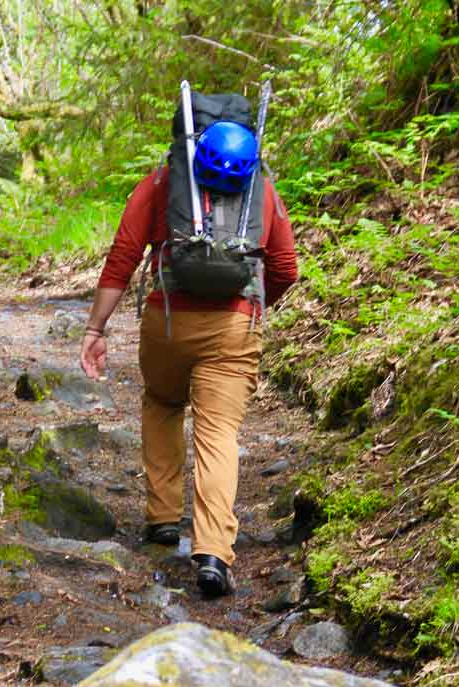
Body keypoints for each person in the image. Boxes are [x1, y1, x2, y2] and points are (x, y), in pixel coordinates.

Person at [79, 92, 298, 598]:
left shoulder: (162, 183)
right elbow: (285, 269)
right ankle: (213, 555)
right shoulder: (260, 191)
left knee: (162, 402)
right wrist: (254, 307)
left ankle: (161, 519)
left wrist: (96, 329)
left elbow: (124, 256)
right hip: (235, 327)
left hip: (168, 322)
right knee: (219, 433)